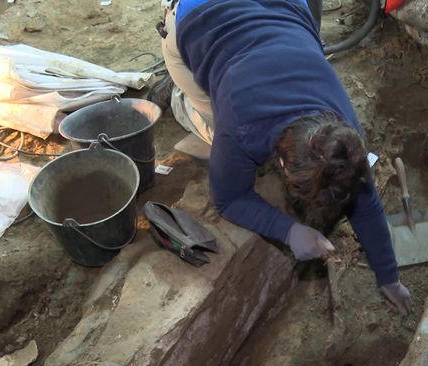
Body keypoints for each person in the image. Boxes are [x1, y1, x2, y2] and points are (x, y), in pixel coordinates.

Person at [154, 0, 411, 316]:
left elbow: (366, 202)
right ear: (281, 162)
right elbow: (229, 198)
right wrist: (289, 230)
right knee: (210, 121)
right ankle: (178, 99)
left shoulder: (343, 130)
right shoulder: (239, 124)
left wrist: (389, 278)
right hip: (196, 16)